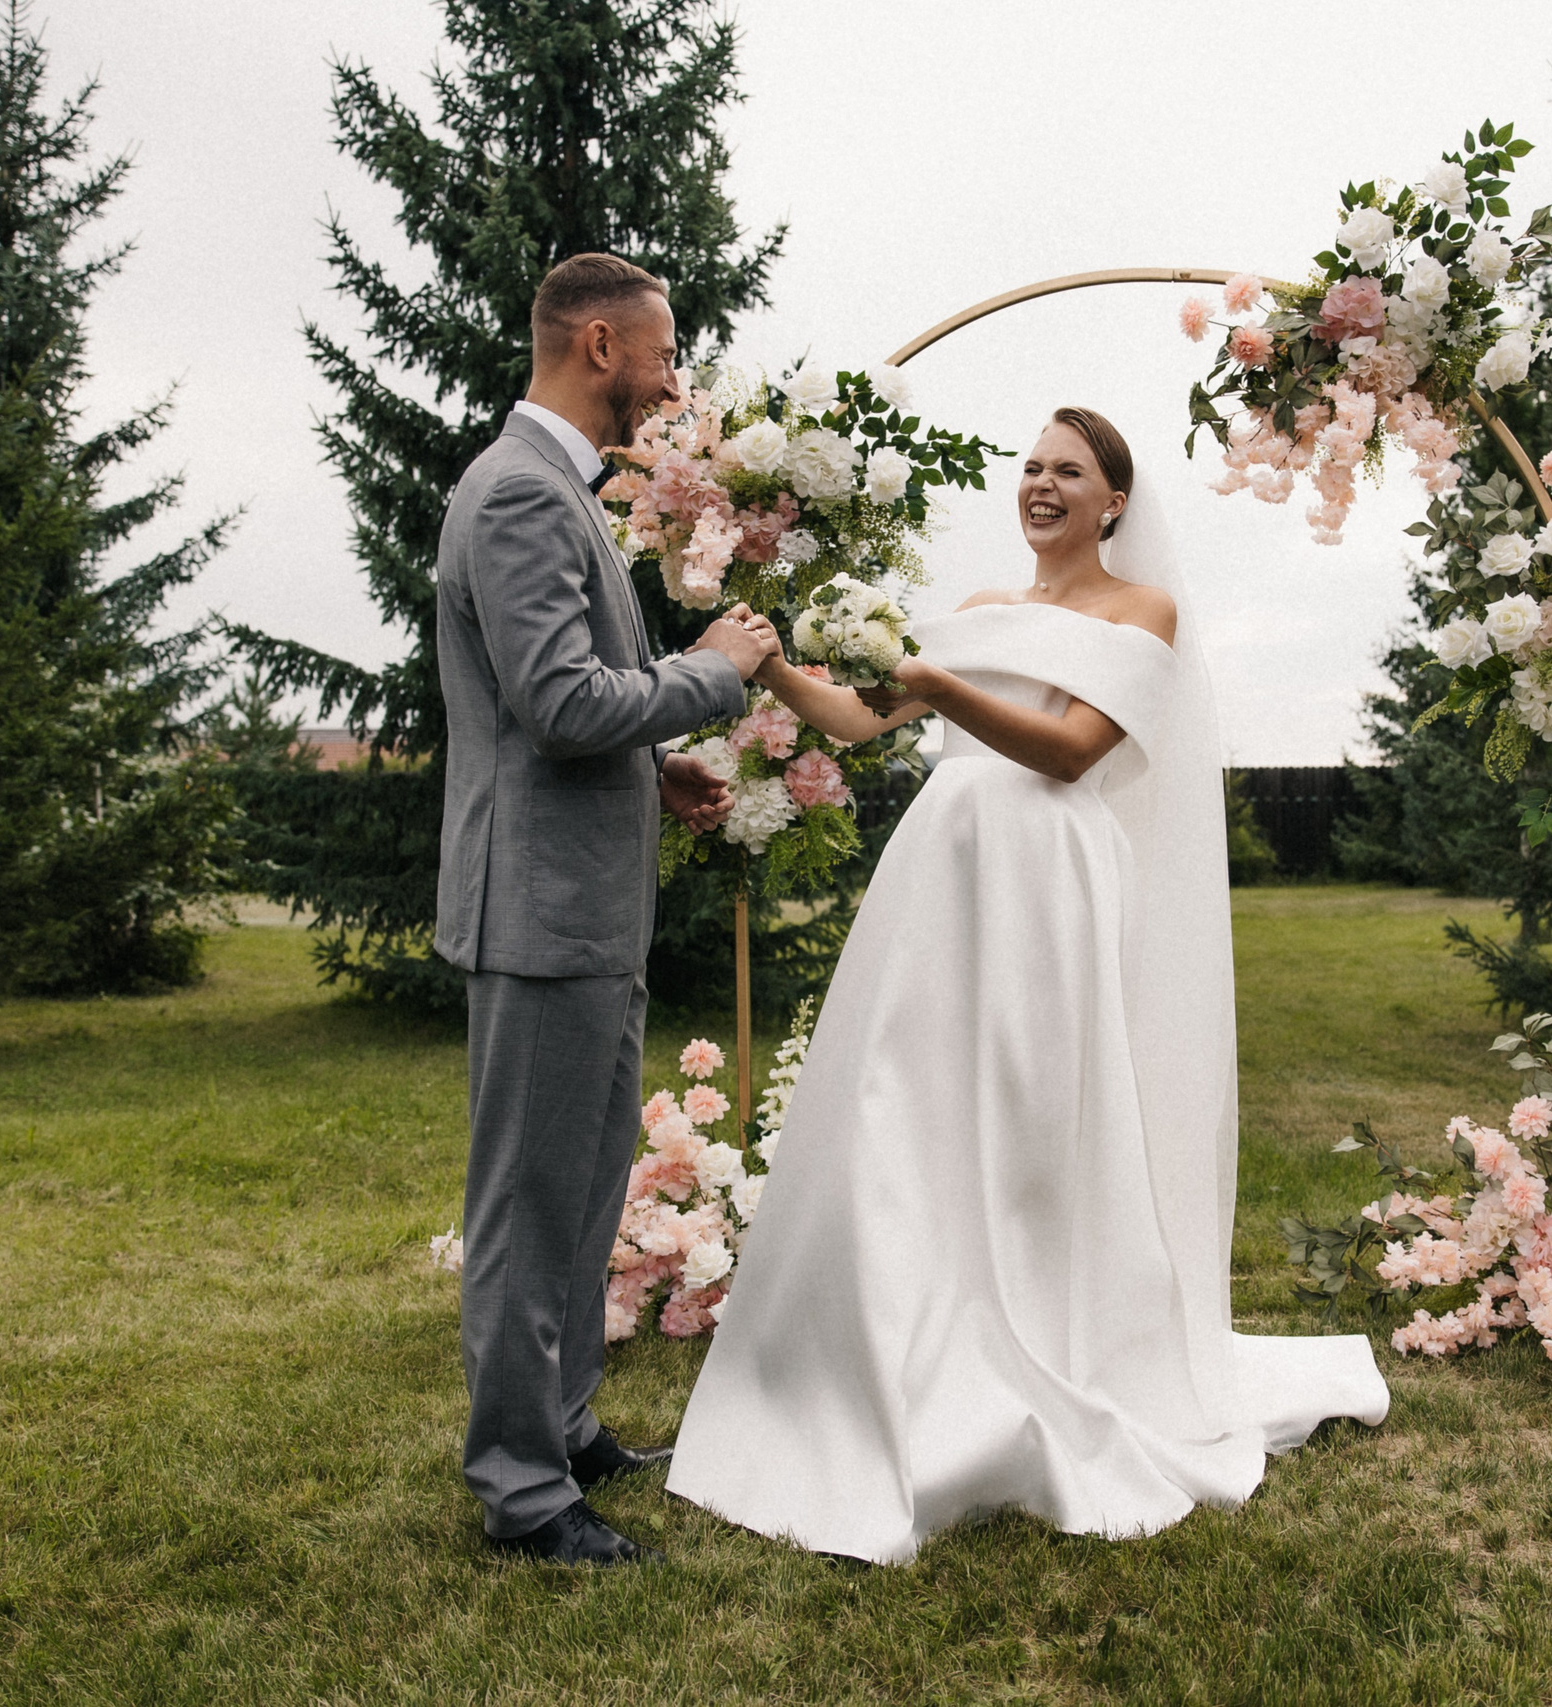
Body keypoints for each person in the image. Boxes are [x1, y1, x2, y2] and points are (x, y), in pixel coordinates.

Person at [665, 408, 1389, 1563]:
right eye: (1031, 468)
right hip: (943, 867)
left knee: (1029, 1103)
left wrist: (937, 690)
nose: (1043, 486)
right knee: (907, 1096)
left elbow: (1068, 752)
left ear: (1114, 500)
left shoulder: (1141, 611)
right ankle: (895, 1337)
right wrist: (775, 670)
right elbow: (860, 719)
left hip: (1047, 872)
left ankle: (1044, 1331)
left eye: (1071, 472)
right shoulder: (981, 615)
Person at [433, 251, 783, 1566]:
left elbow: (576, 711)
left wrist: (660, 758)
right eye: (663, 354)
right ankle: (524, 1492)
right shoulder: (522, 492)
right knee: (530, 1206)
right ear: (596, 344)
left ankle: (566, 1422)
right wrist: (710, 673)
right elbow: (561, 700)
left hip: (582, 906)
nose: (673, 380)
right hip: (538, 915)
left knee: (585, 1190)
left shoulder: (553, 486)